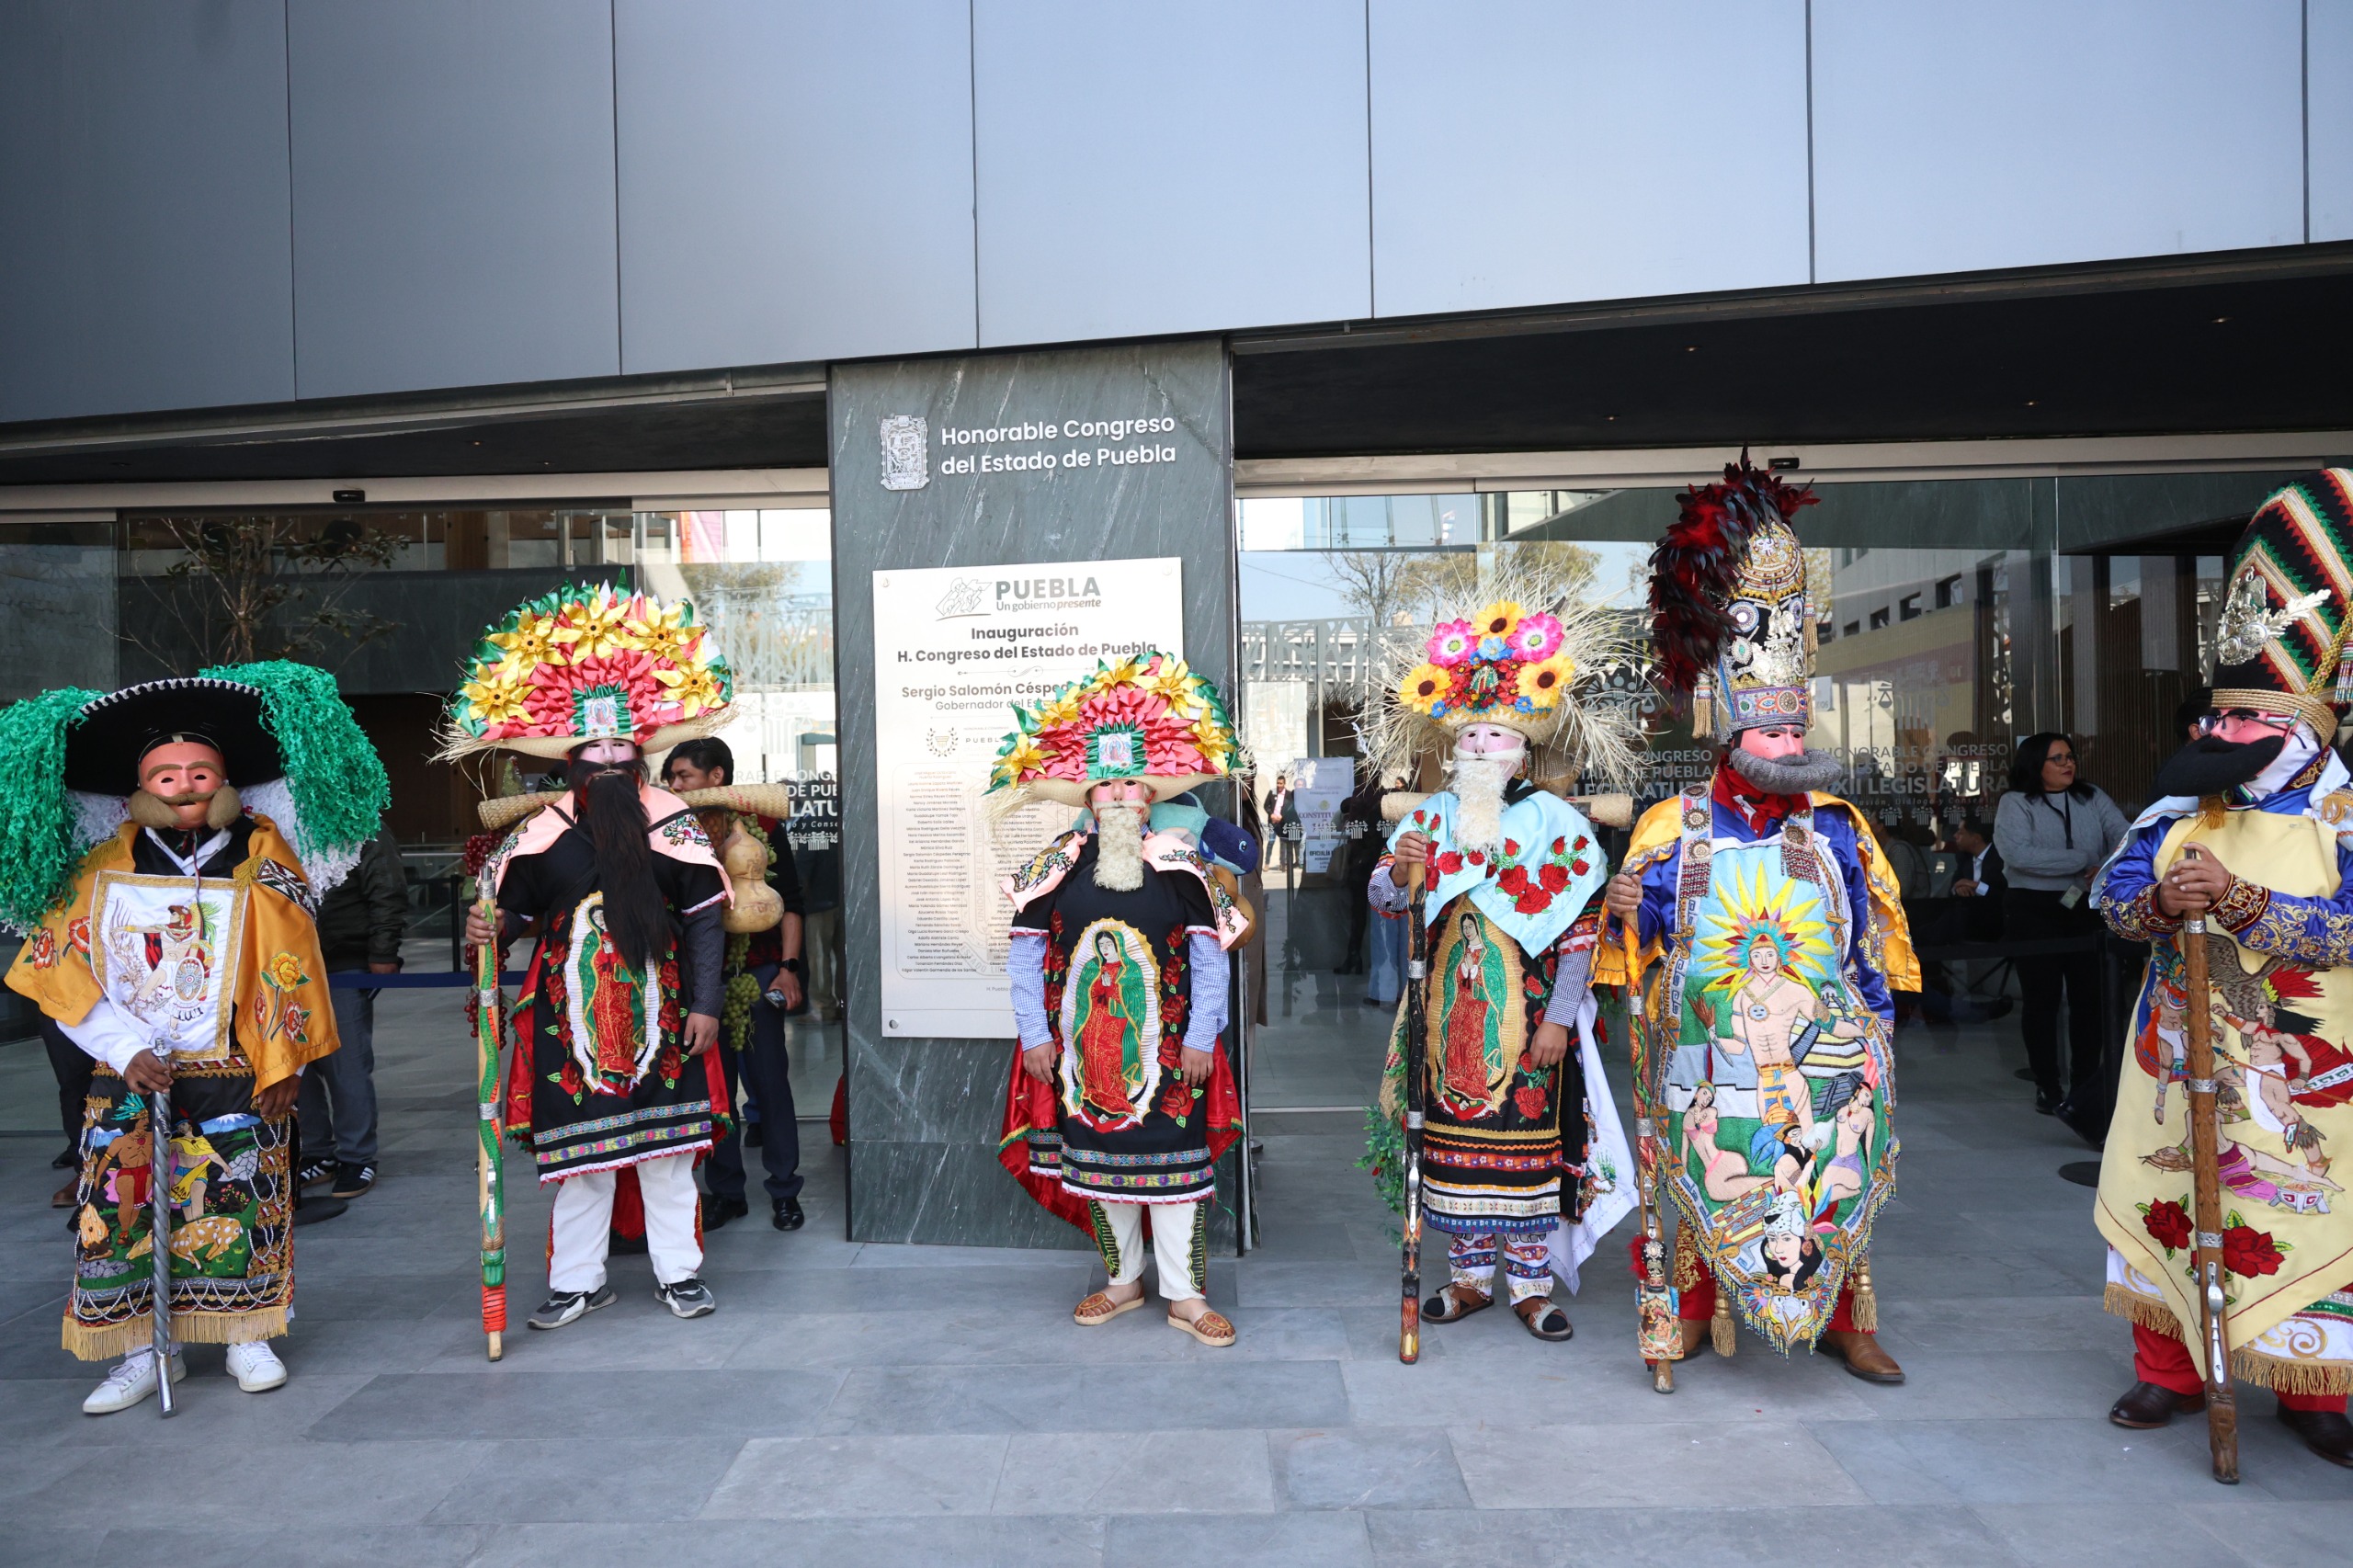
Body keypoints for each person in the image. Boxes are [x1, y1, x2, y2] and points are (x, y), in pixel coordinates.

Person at [1599, 452, 1917, 1382]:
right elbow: (1641, 937)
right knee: (1702, 1174)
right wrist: (1624, 909)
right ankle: (1693, 1309)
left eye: (1797, 732)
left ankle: (1846, 1317)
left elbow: (1866, 942)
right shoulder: (1675, 825)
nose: (1793, 747)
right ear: (1730, 735)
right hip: (1709, 1050)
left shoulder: (1839, 828)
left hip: (1825, 1050)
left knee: (1834, 1179)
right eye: (1774, 735)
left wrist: (1876, 1036)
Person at [2, 665, 382, 1413]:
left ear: (229, 783)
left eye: (201, 772)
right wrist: (119, 1048)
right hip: (129, 1074)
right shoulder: (99, 869)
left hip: (235, 1067)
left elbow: (291, 964)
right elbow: (61, 970)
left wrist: (284, 1063)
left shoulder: (264, 859)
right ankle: (143, 1349)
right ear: (137, 790)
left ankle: (247, 1332)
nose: (185, 786)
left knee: (240, 1197)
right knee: (125, 1208)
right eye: (166, 775)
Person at [2092, 469, 2353, 1470]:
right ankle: (2163, 1369)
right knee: (2171, 1199)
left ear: (2308, 731)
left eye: (2250, 725)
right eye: (2219, 721)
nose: (2223, 738)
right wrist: (2161, 902)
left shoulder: (2342, 821)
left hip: (2304, 1078)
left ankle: (2313, 1385)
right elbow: (2112, 902)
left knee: (2308, 1212)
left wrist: (2245, 905)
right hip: (2174, 1062)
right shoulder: (2171, 813)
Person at [447, 581, 736, 1331]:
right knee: (581, 1163)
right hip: (564, 1020)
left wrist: (705, 1003)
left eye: (621, 749)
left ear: (639, 755)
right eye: (593, 750)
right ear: (569, 760)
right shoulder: (538, 834)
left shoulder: (673, 823)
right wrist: (489, 930)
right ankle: (578, 1282)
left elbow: (706, 919)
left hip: (663, 1011)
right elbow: (504, 912)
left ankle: (681, 1275)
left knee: (668, 1157)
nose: (608, 761)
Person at [1364, 571, 1641, 1341]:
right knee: (1455, 1143)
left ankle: (1528, 1284)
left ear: (1524, 751)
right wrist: (1398, 869)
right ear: (1454, 748)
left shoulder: (1557, 822)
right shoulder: (1430, 817)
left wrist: (1559, 1016)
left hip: (1530, 1020)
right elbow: (1386, 905)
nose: (1483, 747)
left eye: (1499, 737)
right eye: (1471, 737)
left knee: (1524, 1146)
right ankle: (1469, 1279)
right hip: (1447, 1010)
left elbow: (1584, 926)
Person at [993, 652, 1248, 1346]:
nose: (1120, 798)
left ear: (1152, 793)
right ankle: (1121, 1283)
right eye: (1106, 786)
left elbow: (1208, 957)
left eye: (1133, 783)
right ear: (1086, 797)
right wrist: (1035, 1036)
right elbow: (1023, 954)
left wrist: (1201, 1037)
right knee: (1104, 1176)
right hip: (1083, 1055)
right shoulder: (1054, 865)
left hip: (1171, 1052)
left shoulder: (1182, 864)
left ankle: (1187, 1297)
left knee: (1178, 1178)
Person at [664, 736, 809, 1232]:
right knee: (713, 1090)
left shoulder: (763, 825)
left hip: (760, 970)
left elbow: (790, 901)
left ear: (716, 777)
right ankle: (726, 1192)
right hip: (700, 984)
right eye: (671, 777)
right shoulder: (674, 830)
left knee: (769, 1084)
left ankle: (785, 1190)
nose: (674, 785)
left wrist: (788, 968)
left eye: (683, 776)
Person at [1995, 733, 2129, 1129]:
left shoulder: (2091, 796)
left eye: (2070, 757)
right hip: (2032, 910)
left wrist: (2103, 865)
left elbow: (2124, 837)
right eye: (2057, 759)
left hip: (2084, 906)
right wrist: (2083, 860)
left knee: (2090, 1001)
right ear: (2037, 765)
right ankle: (2047, 1084)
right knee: (2042, 1001)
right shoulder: (2015, 802)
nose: (2068, 764)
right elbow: (2018, 856)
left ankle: (2085, 1084)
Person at [297, 821, 406, 1200]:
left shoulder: (358, 819)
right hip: (285, 961)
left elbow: (387, 886)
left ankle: (357, 1156)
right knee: (295, 1063)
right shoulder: (269, 815)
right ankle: (315, 1152)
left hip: (342, 957)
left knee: (346, 1063)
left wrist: (383, 950)